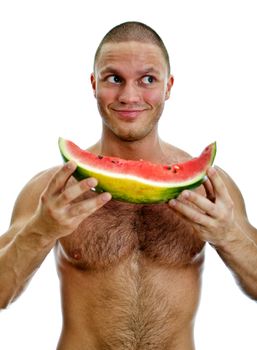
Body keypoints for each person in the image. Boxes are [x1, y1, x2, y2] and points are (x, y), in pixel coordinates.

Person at [0, 21, 256, 350]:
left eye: (147, 79)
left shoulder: (210, 187)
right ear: (94, 84)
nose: (129, 96)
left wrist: (228, 235)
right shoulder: (53, 189)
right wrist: (41, 229)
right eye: (114, 79)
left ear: (168, 86)